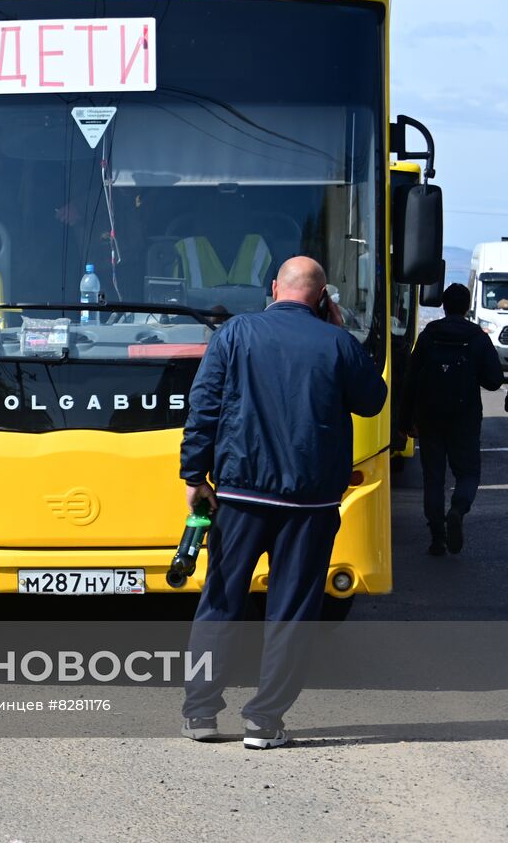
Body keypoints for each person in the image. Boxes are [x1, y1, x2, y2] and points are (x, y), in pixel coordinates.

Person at [178, 257, 385, 750]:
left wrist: (193, 474)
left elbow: (204, 405)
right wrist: (338, 331)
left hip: (240, 494)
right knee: (291, 610)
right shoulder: (338, 342)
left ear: (274, 287)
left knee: (221, 603)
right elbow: (373, 400)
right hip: (310, 503)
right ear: (321, 297)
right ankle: (264, 721)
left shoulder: (234, 333)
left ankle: (201, 713)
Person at [403, 283, 503, 555]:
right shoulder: (477, 338)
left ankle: (437, 537)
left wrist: (405, 421)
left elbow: (411, 379)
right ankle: (458, 508)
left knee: (433, 478)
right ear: (467, 305)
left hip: (429, 417)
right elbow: (494, 380)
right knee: (468, 473)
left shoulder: (429, 335)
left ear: (443, 306)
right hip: (465, 418)